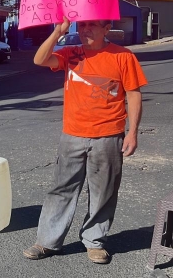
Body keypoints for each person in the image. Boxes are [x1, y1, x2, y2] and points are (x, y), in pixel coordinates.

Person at [24, 17, 148, 264]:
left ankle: (94, 242)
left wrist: (133, 132)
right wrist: (58, 32)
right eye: (81, 25)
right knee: (61, 189)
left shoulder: (123, 56)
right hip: (72, 134)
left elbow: (134, 95)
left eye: (92, 25)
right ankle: (47, 242)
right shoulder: (70, 53)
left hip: (108, 135)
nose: (86, 29)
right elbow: (39, 59)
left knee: (103, 192)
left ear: (106, 29)